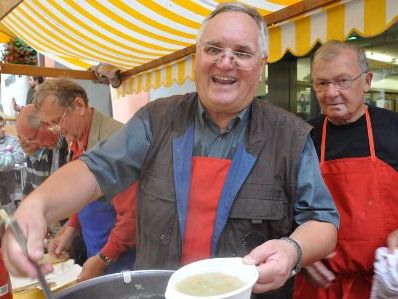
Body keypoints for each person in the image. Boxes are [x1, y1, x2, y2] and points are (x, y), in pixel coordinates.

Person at [2, 3, 339, 298]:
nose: (226, 62)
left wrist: (293, 249)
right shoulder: (157, 119)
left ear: (261, 63)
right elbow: (94, 170)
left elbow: (322, 221)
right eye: (213, 48)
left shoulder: (289, 134)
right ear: (197, 56)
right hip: (158, 294)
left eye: (242, 52)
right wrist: (37, 205)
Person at [293, 41, 398, 299]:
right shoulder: (300, 136)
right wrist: (298, 251)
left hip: (382, 285)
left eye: (342, 81)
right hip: (318, 286)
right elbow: (280, 204)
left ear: (367, 81)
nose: (331, 93)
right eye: (322, 83)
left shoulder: (394, 128)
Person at [36, 79, 137, 281]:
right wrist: (70, 231)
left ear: (79, 106)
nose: (55, 130)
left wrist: (102, 260)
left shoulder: (114, 142)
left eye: (57, 121)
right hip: (99, 253)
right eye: (49, 124)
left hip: (124, 261)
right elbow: (86, 196)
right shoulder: (77, 140)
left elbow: (131, 219)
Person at [16, 104, 68, 198]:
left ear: (46, 123)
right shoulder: (52, 146)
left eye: (32, 138)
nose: (37, 144)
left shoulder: (67, 142)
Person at [0, 115, 25, 213]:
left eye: (3, 126)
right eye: (0, 127)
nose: (3, 129)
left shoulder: (12, 140)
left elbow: (21, 156)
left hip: (9, 190)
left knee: (9, 218)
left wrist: (5, 159)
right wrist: (8, 154)